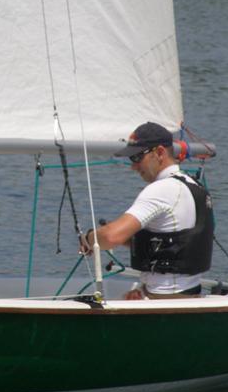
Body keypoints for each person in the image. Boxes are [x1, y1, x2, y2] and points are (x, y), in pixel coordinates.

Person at [79, 122, 214, 299]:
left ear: (159, 153)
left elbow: (111, 237)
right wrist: (142, 292)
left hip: (164, 299)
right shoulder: (193, 185)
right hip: (189, 293)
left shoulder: (161, 190)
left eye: (137, 158)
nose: (133, 166)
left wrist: (88, 239)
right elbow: (171, 242)